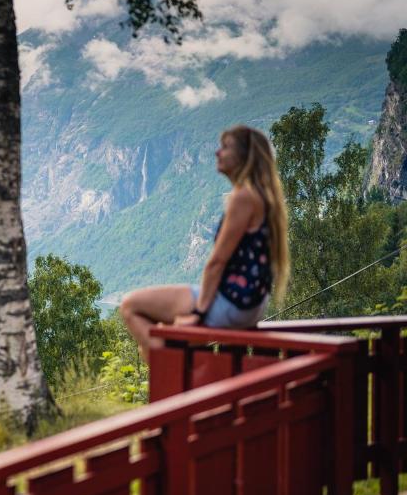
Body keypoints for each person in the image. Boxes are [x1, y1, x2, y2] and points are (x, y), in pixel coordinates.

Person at [120, 125, 290, 361]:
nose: (217, 153)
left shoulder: (244, 197)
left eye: (226, 147)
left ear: (244, 156)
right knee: (157, 337)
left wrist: (198, 314)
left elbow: (217, 262)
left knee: (130, 306)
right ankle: (170, 369)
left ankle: (170, 380)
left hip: (231, 303)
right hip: (249, 304)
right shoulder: (261, 196)